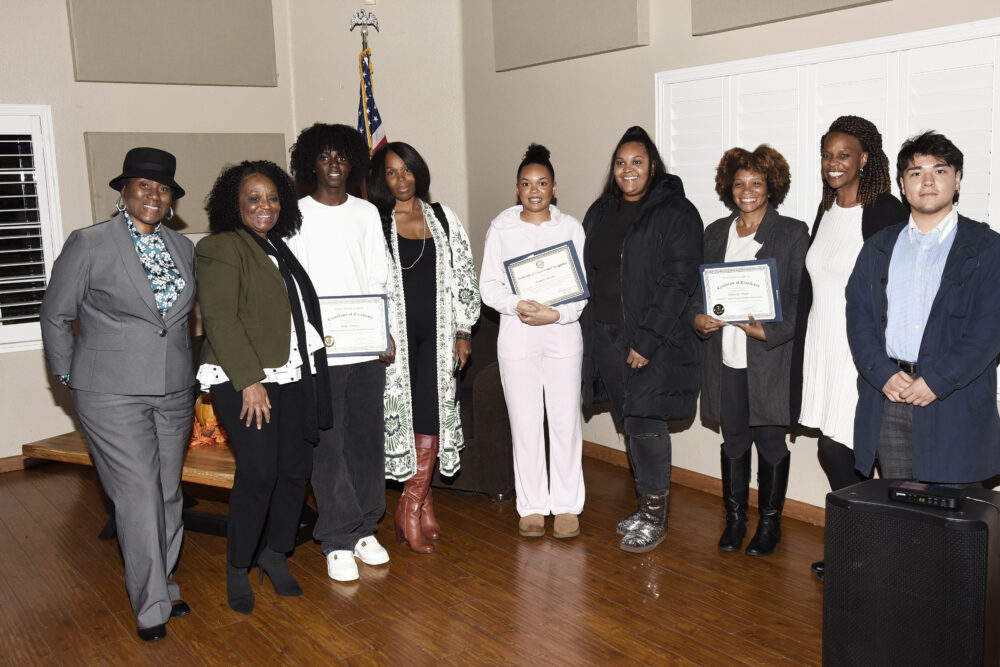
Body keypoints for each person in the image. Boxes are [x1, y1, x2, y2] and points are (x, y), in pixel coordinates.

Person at [39, 147, 195, 642]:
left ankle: (163, 579)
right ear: (123, 192)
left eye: (163, 188)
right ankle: (150, 605)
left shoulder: (183, 248)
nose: (153, 194)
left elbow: (183, 323)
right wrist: (70, 375)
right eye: (143, 185)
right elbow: (56, 314)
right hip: (108, 391)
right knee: (137, 495)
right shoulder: (90, 243)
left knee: (169, 492)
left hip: (174, 390)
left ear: (171, 200)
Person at [196, 160, 331, 613]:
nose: (265, 206)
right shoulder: (220, 247)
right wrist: (250, 380)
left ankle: (274, 553)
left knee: (295, 469)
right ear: (234, 204)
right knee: (259, 473)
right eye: (254, 198)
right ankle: (238, 566)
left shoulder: (278, 246)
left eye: (273, 197)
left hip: (293, 373)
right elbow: (219, 318)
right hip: (246, 379)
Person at [846, 131, 1000, 486]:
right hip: (890, 397)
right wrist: (881, 373)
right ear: (903, 184)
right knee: (903, 519)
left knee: (952, 524)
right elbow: (859, 318)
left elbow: (989, 330)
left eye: (940, 171)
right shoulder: (878, 247)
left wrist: (937, 380)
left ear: (957, 180)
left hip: (954, 401)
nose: (927, 181)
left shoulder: (985, 248)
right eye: (916, 173)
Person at [789, 115, 906, 580]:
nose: (834, 163)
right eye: (828, 155)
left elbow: (895, 290)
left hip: (857, 349)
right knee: (833, 449)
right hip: (822, 342)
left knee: (847, 451)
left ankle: (869, 551)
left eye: (844, 155)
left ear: (864, 159)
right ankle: (862, 548)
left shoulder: (884, 211)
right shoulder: (827, 209)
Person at [581, 126, 703, 553]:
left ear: (652, 165)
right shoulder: (599, 212)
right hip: (606, 337)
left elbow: (678, 281)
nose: (627, 169)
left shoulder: (677, 212)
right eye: (620, 162)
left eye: (636, 161)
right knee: (631, 424)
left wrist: (646, 341)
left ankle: (655, 517)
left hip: (655, 340)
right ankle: (645, 504)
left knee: (648, 426)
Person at [688, 145, 808, 556]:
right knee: (733, 441)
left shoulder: (792, 233)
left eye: (757, 182)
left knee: (772, 444)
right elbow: (696, 291)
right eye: (739, 183)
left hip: (769, 360)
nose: (747, 190)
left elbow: (798, 302)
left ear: (772, 186)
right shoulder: (714, 232)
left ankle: (769, 524)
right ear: (728, 188)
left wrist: (767, 331)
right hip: (726, 360)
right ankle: (736, 520)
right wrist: (698, 319)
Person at [286, 123, 392, 582]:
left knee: (367, 439)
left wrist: (384, 330)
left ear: (353, 163)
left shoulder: (367, 213)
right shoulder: (294, 213)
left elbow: (378, 276)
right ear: (312, 162)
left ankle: (366, 526)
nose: (333, 165)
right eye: (324, 157)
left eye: (342, 157)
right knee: (328, 445)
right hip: (317, 351)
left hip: (365, 347)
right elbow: (288, 281)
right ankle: (336, 538)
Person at [367, 142, 480, 553]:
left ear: (419, 173)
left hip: (438, 337)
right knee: (409, 418)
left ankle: (409, 506)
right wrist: (378, 331)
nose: (401, 179)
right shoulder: (374, 222)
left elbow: (465, 275)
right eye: (392, 172)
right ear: (382, 179)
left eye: (407, 170)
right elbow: (365, 284)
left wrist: (464, 332)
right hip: (395, 346)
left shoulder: (443, 219)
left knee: (432, 416)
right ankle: (421, 506)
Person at [480, 143, 586, 539]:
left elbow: (581, 291)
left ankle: (566, 505)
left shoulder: (571, 228)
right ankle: (533, 506)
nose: (535, 190)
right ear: (517, 188)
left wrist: (556, 314)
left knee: (563, 422)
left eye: (542, 183)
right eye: (527, 183)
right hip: (518, 336)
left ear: (554, 187)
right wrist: (517, 304)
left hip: (562, 335)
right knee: (525, 422)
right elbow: (488, 287)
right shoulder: (501, 229)